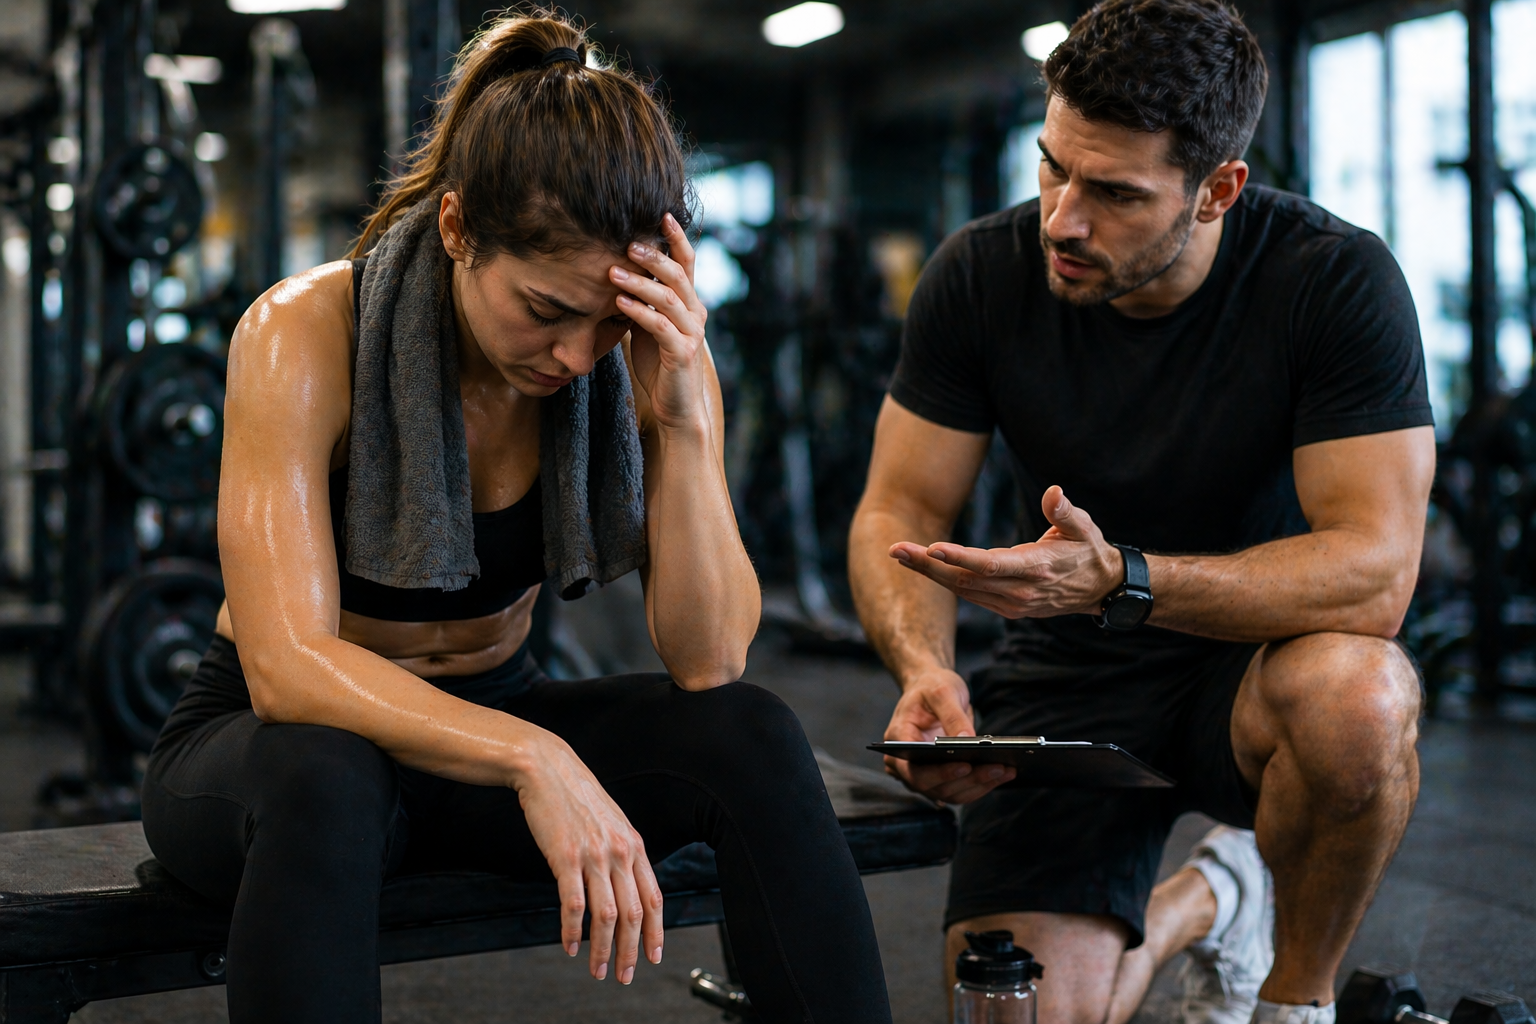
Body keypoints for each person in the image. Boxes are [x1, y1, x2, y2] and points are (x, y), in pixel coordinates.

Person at [141, 12, 892, 1024]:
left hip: (487, 725)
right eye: (544, 310)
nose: (576, 357)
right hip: (273, 753)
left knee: (753, 732)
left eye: (607, 320)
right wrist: (532, 755)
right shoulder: (304, 333)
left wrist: (682, 417)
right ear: (458, 230)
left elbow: (710, 660)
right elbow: (286, 668)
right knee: (327, 773)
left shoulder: (645, 354)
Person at [847, 2, 1433, 1024]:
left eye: (1115, 192)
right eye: (1053, 168)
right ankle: (1211, 897)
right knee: (1014, 1010)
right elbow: (899, 504)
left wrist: (1125, 579)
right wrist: (926, 668)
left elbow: (1377, 574)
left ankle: (1296, 999)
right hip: (1070, 676)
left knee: (1361, 698)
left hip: (1258, 663)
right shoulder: (980, 275)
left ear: (1217, 190)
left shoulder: (1332, 281)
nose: (1065, 219)